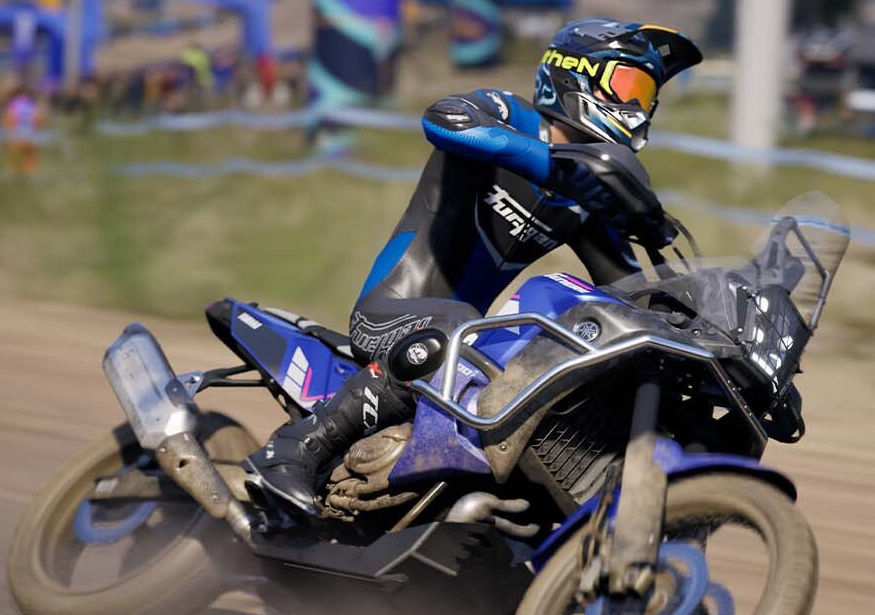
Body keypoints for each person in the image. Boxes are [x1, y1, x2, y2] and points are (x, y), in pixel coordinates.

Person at [243, 18, 702, 515]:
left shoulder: (584, 201)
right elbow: (443, 119)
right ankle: (291, 450)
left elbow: (628, 292)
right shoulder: (508, 115)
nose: (638, 108)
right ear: (575, 74)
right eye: (629, 87)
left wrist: (687, 318)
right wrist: (555, 164)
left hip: (468, 342)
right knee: (458, 329)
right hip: (392, 317)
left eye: (646, 95)